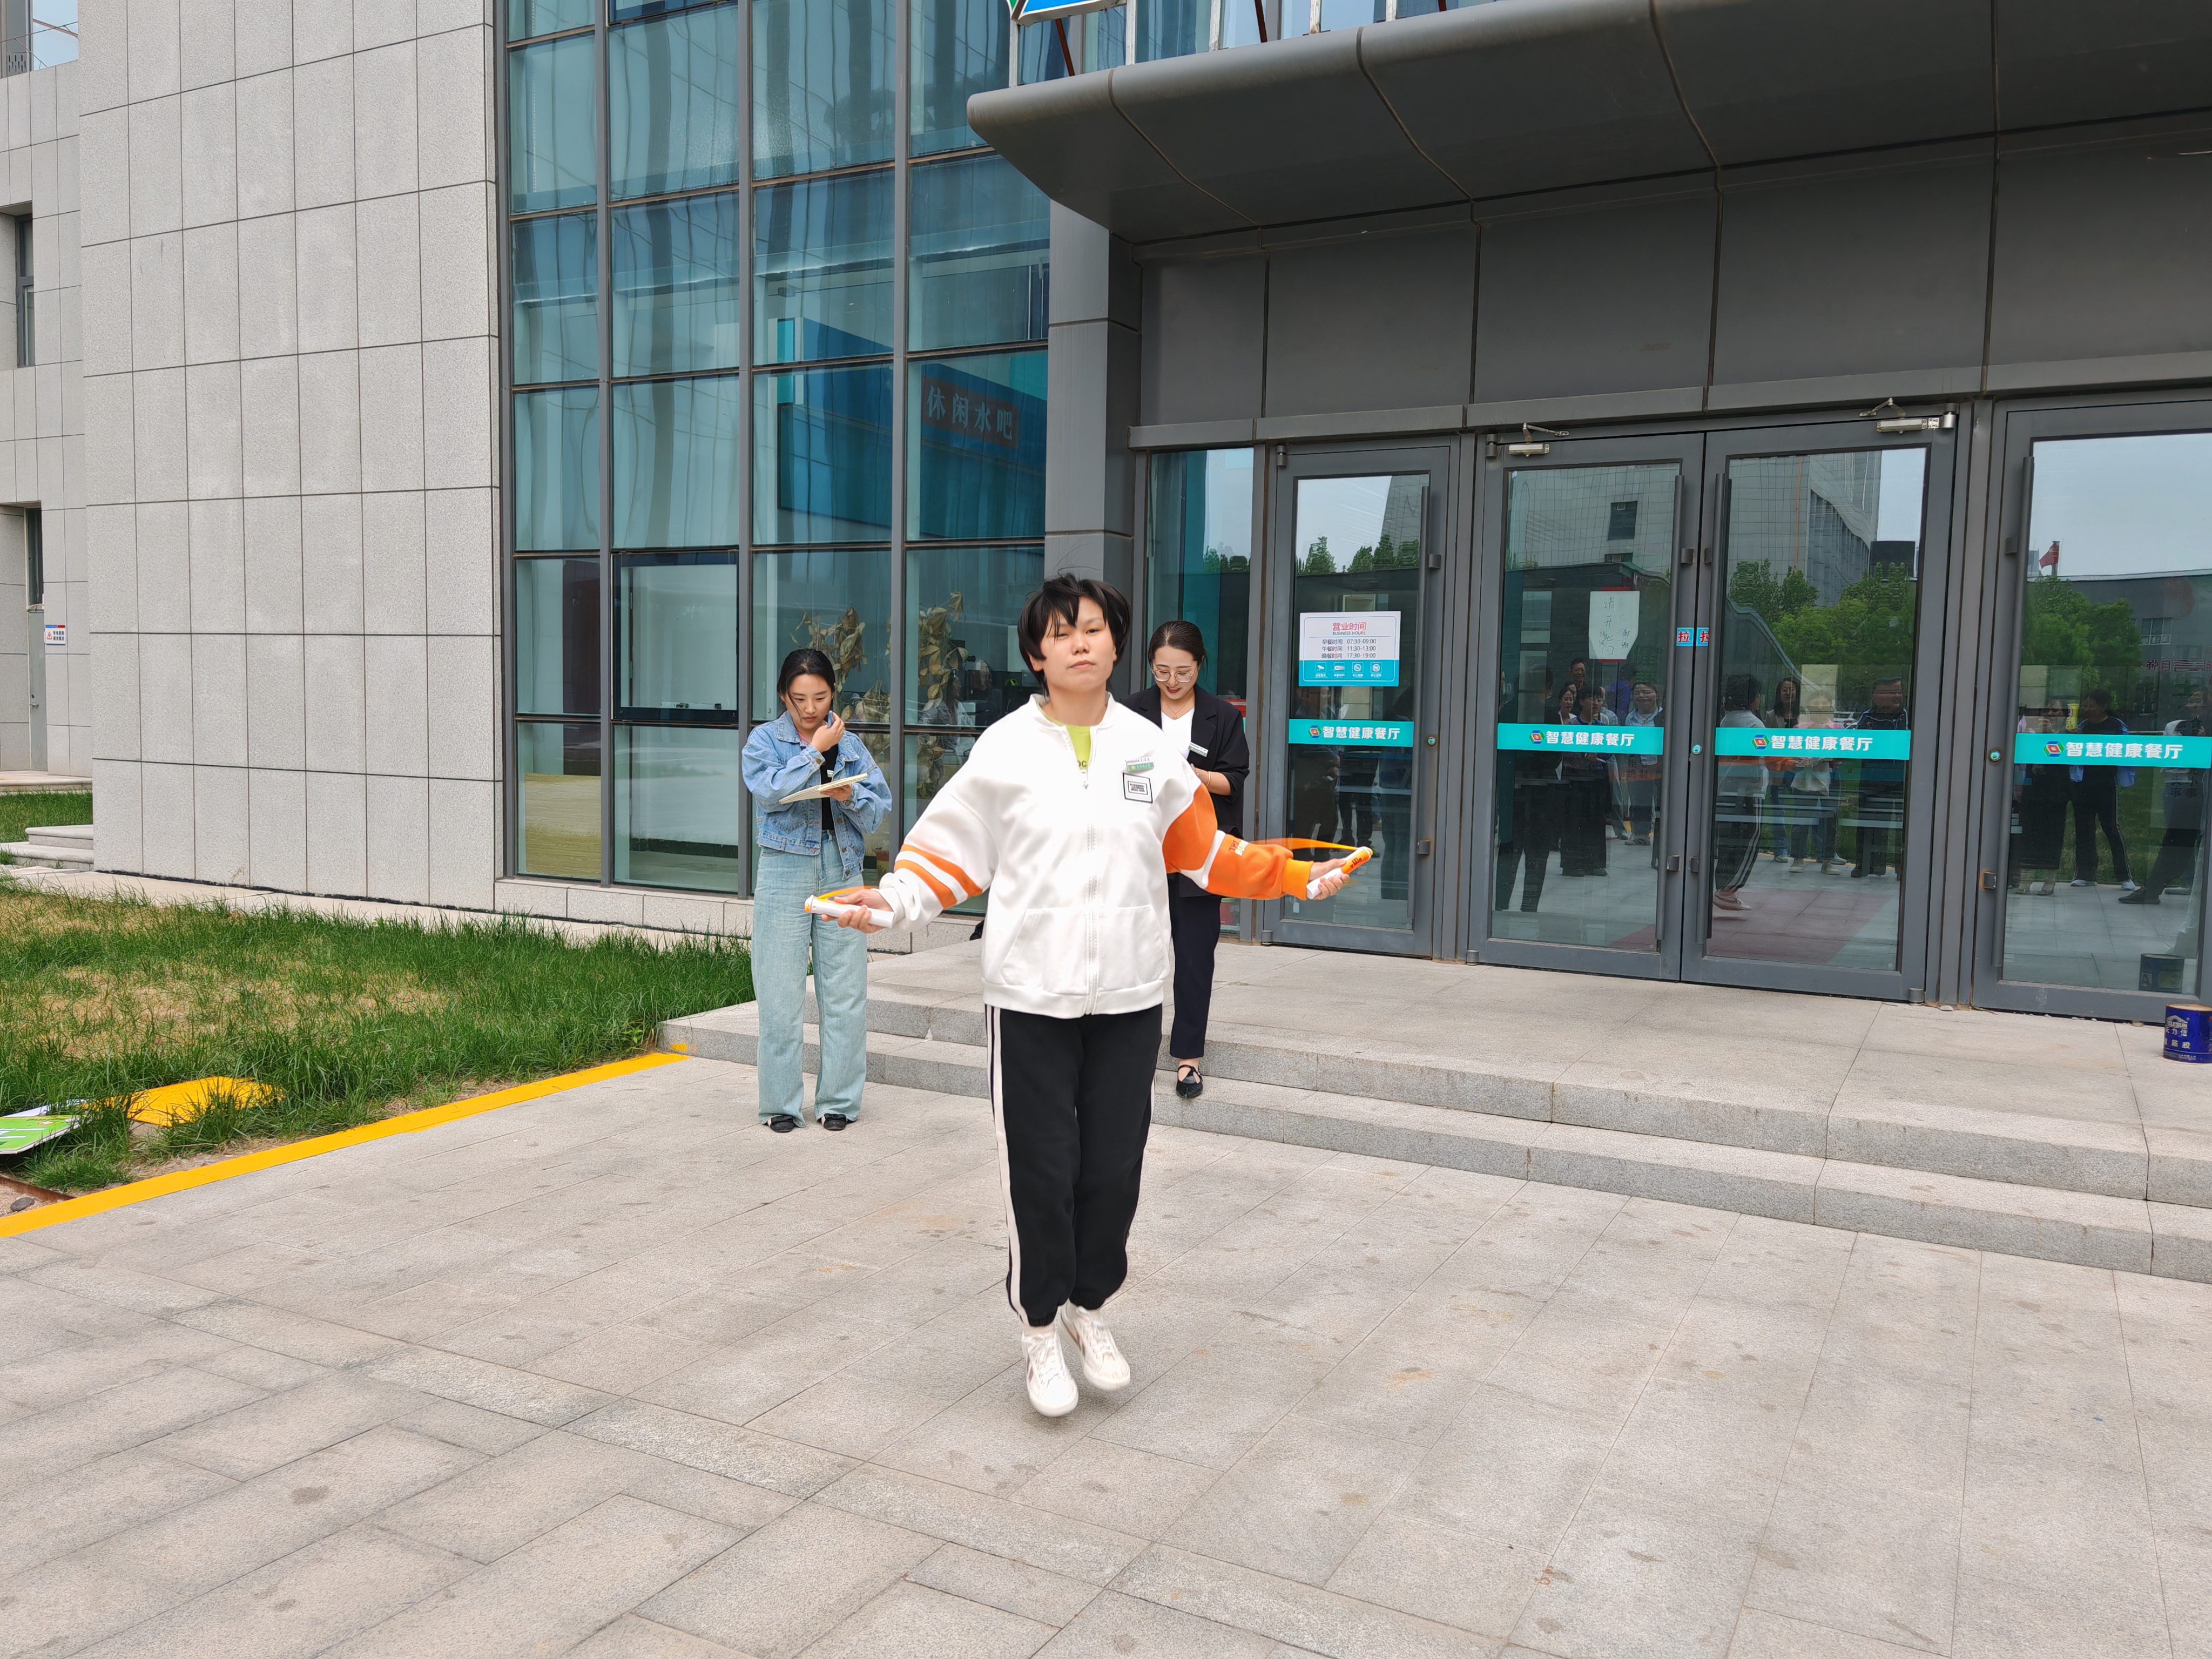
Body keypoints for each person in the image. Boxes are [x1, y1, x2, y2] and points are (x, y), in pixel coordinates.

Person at [834, 577, 1356, 1419]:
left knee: (1114, 1171)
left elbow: (1205, 853)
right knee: (1041, 1172)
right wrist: (892, 902)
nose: (1080, 643)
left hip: (1128, 996)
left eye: (1093, 628)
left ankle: (1089, 1308)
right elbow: (950, 853)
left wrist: (1295, 875)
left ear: (1116, 643)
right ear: (1036, 655)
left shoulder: (1148, 749)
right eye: (1060, 633)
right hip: (1030, 999)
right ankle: (1040, 1328)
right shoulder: (1004, 750)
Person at [741, 649, 893, 1132]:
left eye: (821, 697)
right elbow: (768, 792)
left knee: (845, 992)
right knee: (779, 994)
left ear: (833, 693)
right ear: (784, 696)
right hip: (784, 869)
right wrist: (814, 752)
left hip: (841, 868)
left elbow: (879, 808)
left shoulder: (852, 745)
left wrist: (852, 795)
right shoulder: (764, 740)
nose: (810, 709)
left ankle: (839, 1103)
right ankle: (780, 1106)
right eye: (799, 698)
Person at [1127, 620, 1250, 1100]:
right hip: (1141, 855)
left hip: (1198, 855)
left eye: (1183, 671)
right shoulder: (1128, 713)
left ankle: (1188, 1058)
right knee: (1135, 957)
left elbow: (1234, 781)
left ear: (1200, 665)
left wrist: (1190, 774)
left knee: (1196, 959)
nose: (1172, 681)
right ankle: (1128, 1054)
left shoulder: (1223, 716)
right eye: (1162, 671)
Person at [2120, 691, 2205, 905]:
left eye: (2199, 701)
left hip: (2195, 789)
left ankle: (2156, 888)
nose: (2193, 705)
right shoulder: (2184, 727)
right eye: (2192, 701)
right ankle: (2154, 888)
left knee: (2179, 840)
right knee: (2177, 840)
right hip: (2190, 789)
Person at [2070, 688, 2136, 891]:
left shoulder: (2116, 726)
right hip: (2082, 784)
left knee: (2111, 829)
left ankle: (2124, 876)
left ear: (2103, 707)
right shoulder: (2082, 727)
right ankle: (2085, 874)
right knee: (2084, 831)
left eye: (2091, 706)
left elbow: (2127, 751)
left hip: (2105, 785)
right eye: (2085, 706)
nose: (2087, 709)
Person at [1712, 673, 1765, 912]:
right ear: (1753, 697)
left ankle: (1723, 887)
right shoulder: (1754, 724)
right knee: (1749, 839)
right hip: (1749, 792)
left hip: (1725, 788)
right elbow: (1760, 755)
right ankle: (1728, 890)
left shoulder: (1726, 720)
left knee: (1728, 841)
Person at [1852, 678, 1911, 880]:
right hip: (1873, 778)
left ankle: (1903, 868)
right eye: (1891, 693)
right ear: (1876, 696)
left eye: (1899, 692)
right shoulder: (1867, 718)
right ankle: (1867, 865)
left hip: (1902, 779)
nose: (1897, 697)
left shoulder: (1907, 717)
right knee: (1869, 821)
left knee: (1904, 825)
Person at [2011, 702, 2071, 895]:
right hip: (2033, 791)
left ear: (2065, 715)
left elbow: (2064, 761)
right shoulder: (2033, 734)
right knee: (2028, 834)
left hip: (2055, 794)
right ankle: (2025, 879)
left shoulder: (2069, 735)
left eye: (2055, 710)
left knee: (2052, 835)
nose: (2050, 714)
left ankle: (2050, 880)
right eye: (2046, 710)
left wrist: (2052, 736)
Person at [1765, 676, 1802, 862]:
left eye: (1792, 689)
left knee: (1802, 810)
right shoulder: (1772, 716)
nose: (1789, 693)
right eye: (1785, 690)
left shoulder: (1804, 715)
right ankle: (1780, 850)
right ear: (1779, 694)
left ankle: (1801, 852)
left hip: (1798, 769)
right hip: (1778, 769)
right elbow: (1768, 744)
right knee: (1778, 810)